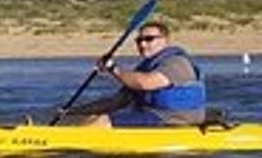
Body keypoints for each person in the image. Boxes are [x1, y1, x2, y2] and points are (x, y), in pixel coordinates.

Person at [65, 19, 207, 128]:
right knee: (94, 118)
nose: (142, 44)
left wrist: (113, 68)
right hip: (155, 116)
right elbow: (117, 102)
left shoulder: (176, 63)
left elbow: (144, 83)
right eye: (139, 40)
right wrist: (74, 111)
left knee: (103, 122)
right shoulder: (145, 68)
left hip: (174, 119)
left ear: (165, 41)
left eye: (149, 39)